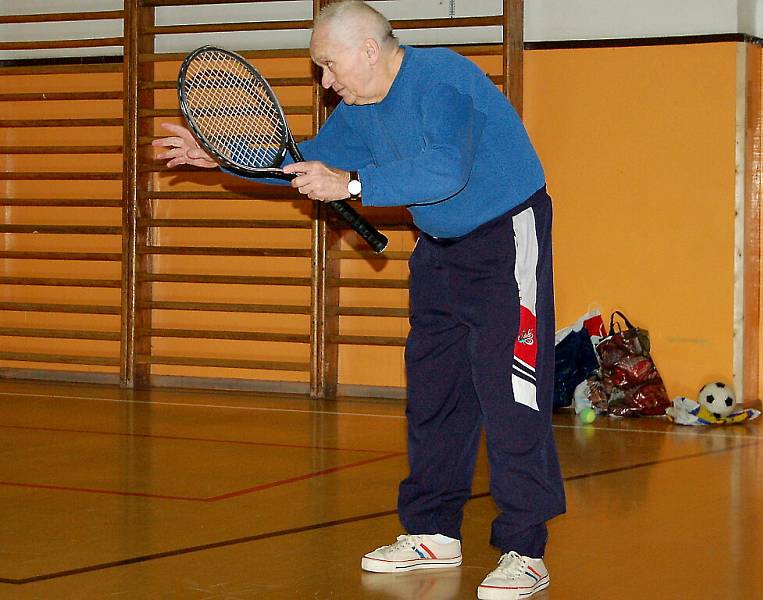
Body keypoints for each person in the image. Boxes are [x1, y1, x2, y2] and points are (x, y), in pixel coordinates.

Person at [153, 1, 566, 598]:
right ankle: (432, 532)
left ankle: (526, 549)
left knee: (511, 390)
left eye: (328, 64)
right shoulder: (360, 108)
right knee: (434, 390)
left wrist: (352, 185)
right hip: (441, 247)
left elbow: (444, 170)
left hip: (506, 238)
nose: (325, 81)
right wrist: (222, 157)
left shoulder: (443, 79)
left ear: (368, 51)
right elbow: (303, 160)